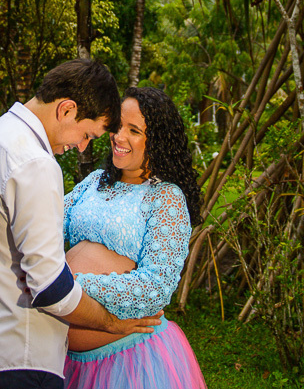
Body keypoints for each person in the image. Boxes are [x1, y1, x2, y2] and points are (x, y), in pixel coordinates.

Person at [0, 59, 163, 389]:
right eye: (87, 133)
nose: (81, 146)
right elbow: (49, 288)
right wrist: (111, 323)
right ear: (66, 109)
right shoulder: (35, 162)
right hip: (19, 357)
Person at [62, 86, 207, 389]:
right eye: (117, 126)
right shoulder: (94, 182)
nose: (119, 136)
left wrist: (70, 285)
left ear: (157, 140)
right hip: (66, 361)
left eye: (134, 130)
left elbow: (157, 287)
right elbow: (45, 226)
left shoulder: (166, 198)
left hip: (131, 365)